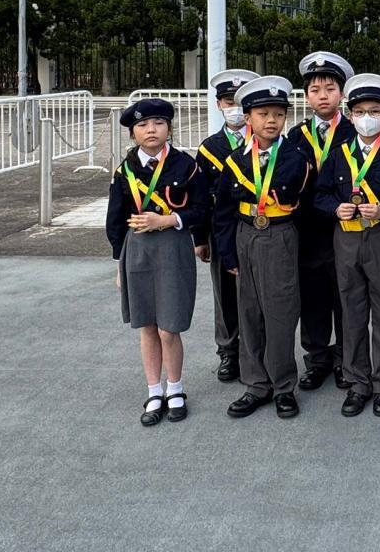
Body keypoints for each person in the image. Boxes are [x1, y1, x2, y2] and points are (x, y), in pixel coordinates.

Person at [314, 73, 380, 418]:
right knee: (352, 311)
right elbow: (320, 195)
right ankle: (358, 382)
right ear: (351, 115)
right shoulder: (338, 155)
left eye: (374, 111)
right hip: (346, 238)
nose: (367, 117)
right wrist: (335, 208)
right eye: (359, 112)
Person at [105, 98, 210, 427]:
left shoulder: (185, 165)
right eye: (142, 125)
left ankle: (175, 388)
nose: (151, 130)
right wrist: (119, 263)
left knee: (169, 326)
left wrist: (168, 220)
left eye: (158, 123)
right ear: (133, 133)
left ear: (169, 128)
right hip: (137, 250)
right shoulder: (124, 170)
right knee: (147, 325)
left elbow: (202, 208)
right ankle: (154, 390)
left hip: (173, 248)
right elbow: (115, 220)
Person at [213, 76, 312, 420]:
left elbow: (303, 204)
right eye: (263, 114)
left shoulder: (296, 158)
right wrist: (228, 253)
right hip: (245, 235)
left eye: (278, 114)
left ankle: (283, 386)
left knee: (281, 313)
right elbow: (223, 210)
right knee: (250, 312)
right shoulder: (235, 160)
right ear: (248, 118)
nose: (271, 121)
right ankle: (256, 384)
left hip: (280, 235)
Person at [289, 51, 356, 392]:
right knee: (313, 297)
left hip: (346, 230)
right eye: (315, 90)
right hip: (308, 231)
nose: (323, 96)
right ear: (306, 97)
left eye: (330, 89)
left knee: (346, 296)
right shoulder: (296, 136)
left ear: (341, 93)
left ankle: (346, 359)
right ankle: (317, 359)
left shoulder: (354, 131)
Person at [195, 68, 258, 384]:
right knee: (225, 292)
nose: (234, 108)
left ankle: (254, 350)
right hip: (221, 230)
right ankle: (228, 351)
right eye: (228, 102)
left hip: (257, 228)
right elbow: (199, 198)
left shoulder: (265, 141)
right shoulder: (209, 147)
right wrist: (200, 237)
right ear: (219, 104)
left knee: (256, 291)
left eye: (239, 102)